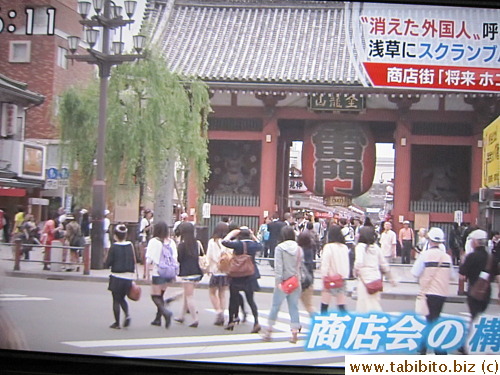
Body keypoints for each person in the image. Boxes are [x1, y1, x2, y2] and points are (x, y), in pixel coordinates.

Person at [411, 227, 453, 355]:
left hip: (428, 292)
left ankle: (435, 348)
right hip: (442, 292)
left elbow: (414, 272)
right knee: (433, 318)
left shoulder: (425, 255)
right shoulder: (446, 257)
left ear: (429, 239)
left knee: (431, 319)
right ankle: (425, 346)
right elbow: (451, 275)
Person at [262, 226, 302, 344]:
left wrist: (278, 282)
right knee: (293, 307)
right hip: (295, 281)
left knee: (275, 306)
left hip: (284, 282)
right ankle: (294, 332)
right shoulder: (299, 249)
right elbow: (299, 266)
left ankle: (269, 331)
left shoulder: (280, 248)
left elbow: (278, 266)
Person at [222, 227, 262, 333]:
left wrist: (231, 233)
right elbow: (261, 245)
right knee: (251, 300)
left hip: (236, 275)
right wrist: (253, 236)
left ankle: (231, 321)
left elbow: (224, 242)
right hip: (249, 275)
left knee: (233, 298)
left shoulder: (238, 244)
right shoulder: (253, 245)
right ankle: (256, 322)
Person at [459, 229, 498, 322]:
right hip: (487, 292)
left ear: (476, 242)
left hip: (473, 291)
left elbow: (462, 275)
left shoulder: (471, 257)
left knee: (474, 316)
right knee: (481, 315)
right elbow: (498, 276)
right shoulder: (491, 258)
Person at [145, 221, 178, 328]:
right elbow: (175, 257)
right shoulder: (171, 242)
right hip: (168, 272)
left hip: (158, 271)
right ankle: (157, 319)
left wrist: (146, 274)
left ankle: (165, 313)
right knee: (161, 295)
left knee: (154, 296)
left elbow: (148, 259)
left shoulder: (154, 241)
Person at [354, 226, 394, 313]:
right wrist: (391, 278)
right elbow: (383, 263)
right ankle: (377, 321)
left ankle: (366, 323)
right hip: (376, 278)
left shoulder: (360, 247)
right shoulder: (376, 247)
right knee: (374, 302)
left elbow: (359, 263)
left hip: (365, 279)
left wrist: (355, 270)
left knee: (363, 305)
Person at [104, 224, 136, 329]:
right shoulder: (130, 246)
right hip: (128, 277)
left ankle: (117, 323)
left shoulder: (114, 247)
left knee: (116, 300)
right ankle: (127, 315)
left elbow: (108, 262)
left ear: (115, 236)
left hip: (116, 276)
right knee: (122, 298)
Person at [174, 222, 203, 328]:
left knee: (189, 296)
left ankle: (195, 318)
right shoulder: (197, 244)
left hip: (187, 273)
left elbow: (179, 259)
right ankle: (181, 316)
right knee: (187, 294)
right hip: (197, 272)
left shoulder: (182, 245)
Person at [320, 225, 350, 314]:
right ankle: (346, 322)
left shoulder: (328, 247)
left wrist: (323, 276)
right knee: (341, 303)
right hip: (341, 278)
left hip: (330, 277)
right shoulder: (344, 247)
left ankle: (322, 321)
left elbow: (325, 263)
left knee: (325, 303)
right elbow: (346, 262)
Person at [206, 222, 231, 326]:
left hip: (215, 271)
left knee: (212, 292)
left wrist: (208, 268)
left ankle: (218, 311)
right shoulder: (228, 242)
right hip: (225, 271)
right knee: (222, 294)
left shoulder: (212, 242)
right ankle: (223, 312)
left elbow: (209, 256)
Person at [297, 230, 316, 316]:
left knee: (307, 305)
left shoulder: (300, 250)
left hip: (301, 279)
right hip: (309, 279)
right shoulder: (310, 249)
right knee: (308, 305)